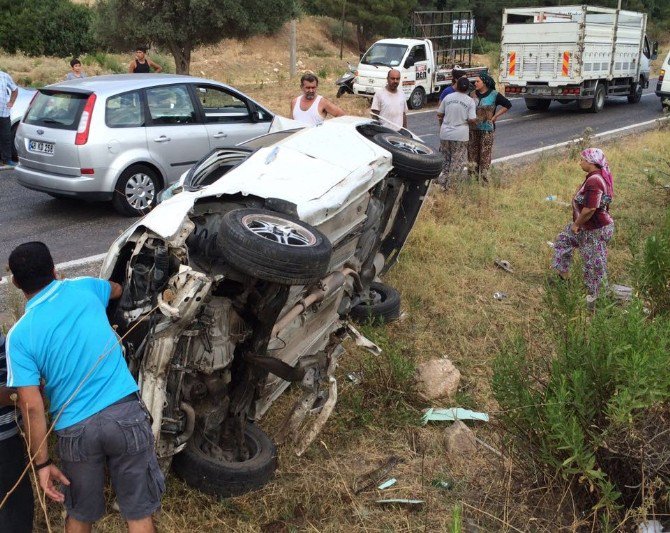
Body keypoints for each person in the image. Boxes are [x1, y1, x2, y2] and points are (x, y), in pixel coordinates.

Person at [6, 242, 164, 533]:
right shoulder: (84, 287)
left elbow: (31, 405)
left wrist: (42, 464)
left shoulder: (18, 337)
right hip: (125, 413)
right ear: (55, 269)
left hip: (75, 430)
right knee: (139, 513)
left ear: (15, 282)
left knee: (79, 514)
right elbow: (116, 289)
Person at [551, 148, 615, 300]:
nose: (580, 162)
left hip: (594, 228)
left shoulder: (594, 180)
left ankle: (598, 297)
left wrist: (577, 224)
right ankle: (563, 278)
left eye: (582, 160)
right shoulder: (595, 176)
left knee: (593, 263)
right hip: (586, 226)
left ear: (591, 162)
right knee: (563, 240)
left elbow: (590, 209)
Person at [0, 333, 34, 533]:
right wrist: (23, 394)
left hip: (8, 439)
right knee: (15, 508)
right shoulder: (9, 341)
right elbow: (14, 394)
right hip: (4, 442)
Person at [468, 73, 512, 182]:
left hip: (487, 130)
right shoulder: (472, 94)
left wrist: (496, 116)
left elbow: (507, 105)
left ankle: (484, 180)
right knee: (472, 156)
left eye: (478, 81)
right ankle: (472, 180)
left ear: (485, 83)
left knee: (485, 156)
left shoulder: (494, 95)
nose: (475, 83)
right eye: (475, 81)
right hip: (472, 130)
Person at [436, 77, 477, 190]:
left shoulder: (448, 97)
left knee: (446, 160)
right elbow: (472, 119)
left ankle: (442, 185)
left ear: (457, 86)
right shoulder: (470, 101)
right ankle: (451, 187)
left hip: (445, 133)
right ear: (467, 88)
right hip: (460, 134)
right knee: (457, 161)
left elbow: (439, 113)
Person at [0, 68, 18, 167]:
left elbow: (15, 90)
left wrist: (11, 102)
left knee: (6, 137)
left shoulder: (4, 76)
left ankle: (6, 160)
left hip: (4, 113)